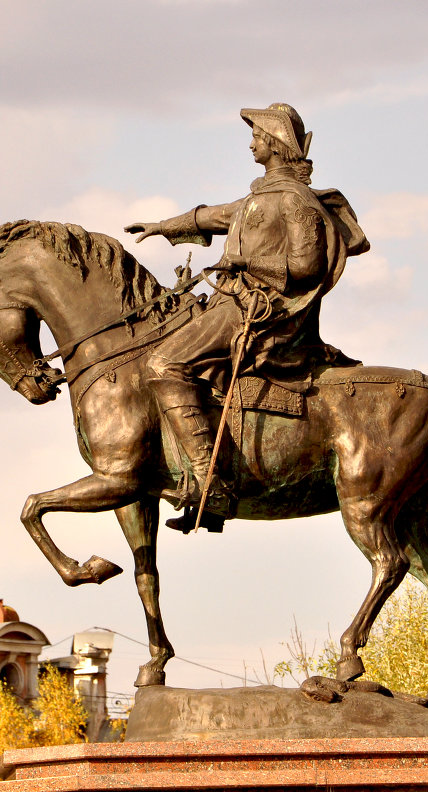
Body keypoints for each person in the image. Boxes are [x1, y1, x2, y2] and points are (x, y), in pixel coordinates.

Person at [125, 102, 370, 532]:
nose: (251, 142)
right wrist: (162, 227)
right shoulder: (259, 197)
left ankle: (207, 481)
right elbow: (210, 216)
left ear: (275, 145)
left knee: (164, 363)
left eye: (257, 135)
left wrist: (245, 266)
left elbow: (307, 266)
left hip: (263, 312)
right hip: (233, 303)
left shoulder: (297, 202)